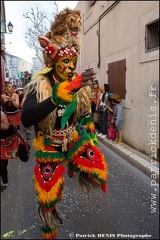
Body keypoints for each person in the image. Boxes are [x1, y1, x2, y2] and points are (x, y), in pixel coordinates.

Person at [21, 7, 108, 240]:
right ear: (55, 61)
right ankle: (49, 224)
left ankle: (75, 167)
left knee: (96, 167)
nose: (71, 67)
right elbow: (26, 118)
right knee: (48, 195)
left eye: (74, 62)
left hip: (72, 139)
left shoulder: (79, 85)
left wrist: (88, 135)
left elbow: (83, 117)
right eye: (66, 62)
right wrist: (56, 99)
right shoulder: (40, 84)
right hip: (49, 146)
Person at [0, 106, 18, 192]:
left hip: (5, 141)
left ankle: (5, 182)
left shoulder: (1, 114)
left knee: (2, 164)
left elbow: (5, 126)